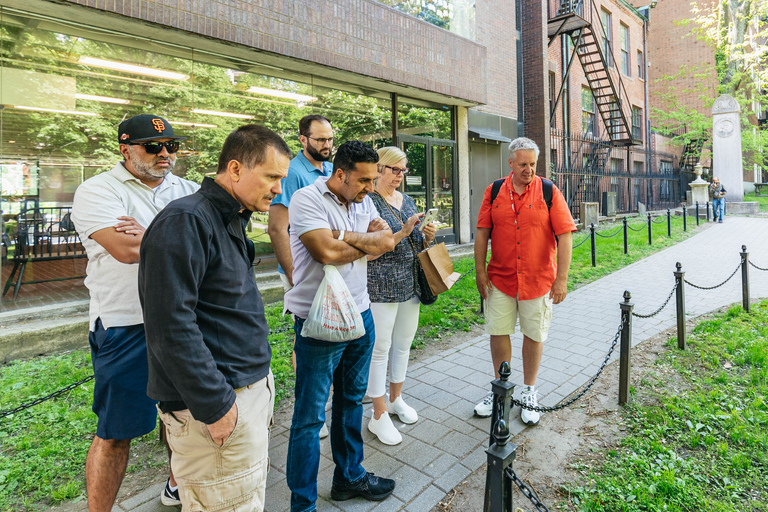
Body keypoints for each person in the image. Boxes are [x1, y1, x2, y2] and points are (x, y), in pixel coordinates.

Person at [139, 125, 291, 511]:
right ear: (236, 169)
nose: (278, 189)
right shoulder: (186, 221)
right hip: (218, 406)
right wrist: (216, 406)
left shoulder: (231, 217)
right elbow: (170, 325)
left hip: (245, 392)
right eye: (272, 177)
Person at [71, 114, 199, 511]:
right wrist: (182, 235)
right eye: (152, 147)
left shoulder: (190, 189)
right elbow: (126, 252)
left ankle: (176, 485)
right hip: (126, 325)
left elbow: (219, 248)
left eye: (171, 146)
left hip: (182, 319)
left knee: (182, 417)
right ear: (125, 149)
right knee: (116, 432)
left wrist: (150, 232)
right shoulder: (97, 190)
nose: (165, 154)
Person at [284, 141, 396, 511]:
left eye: (373, 179)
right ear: (340, 174)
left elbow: (382, 243)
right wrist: (366, 241)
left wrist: (346, 236)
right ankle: (303, 504)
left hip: (360, 313)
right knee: (309, 416)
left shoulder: (363, 200)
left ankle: (349, 477)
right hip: (318, 321)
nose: (370, 187)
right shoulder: (306, 199)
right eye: (363, 180)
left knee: (351, 402)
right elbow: (326, 253)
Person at [472, 137, 576, 426]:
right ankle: (501, 389)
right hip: (500, 279)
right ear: (510, 163)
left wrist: (561, 279)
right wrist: (480, 272)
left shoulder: (548, 191)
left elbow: (565, 235)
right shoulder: (493, 191)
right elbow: (482, 232)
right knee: (499, 331)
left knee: (534, 334)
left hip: (539, 280)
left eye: (533, 164)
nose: (529, 169)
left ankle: (530, 391)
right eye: (523, 164)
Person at [267, 114, 334, 439]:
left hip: (329, 268)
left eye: (330, 139)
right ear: (303, 139)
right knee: (306, 339)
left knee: (328, 335)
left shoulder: (332, 170)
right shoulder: (292, 172)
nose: (327, 145)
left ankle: (324, 400)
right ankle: (311, 411)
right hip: (301, 272)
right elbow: (278, 227)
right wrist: (293, 273)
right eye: (320, 139)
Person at [365, 146, 436, 445]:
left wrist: (425, 235)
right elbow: (368, 250)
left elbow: (415, 238)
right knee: (380, 348)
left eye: (403, 170)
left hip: (411, 282)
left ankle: (396, 398)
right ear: (379, 169)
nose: (400, 176)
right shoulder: (368, 202)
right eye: (395, 170)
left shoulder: (406, 200)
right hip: (381, 284)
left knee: (403, 344)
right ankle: (377, 414)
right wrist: (406, 232)